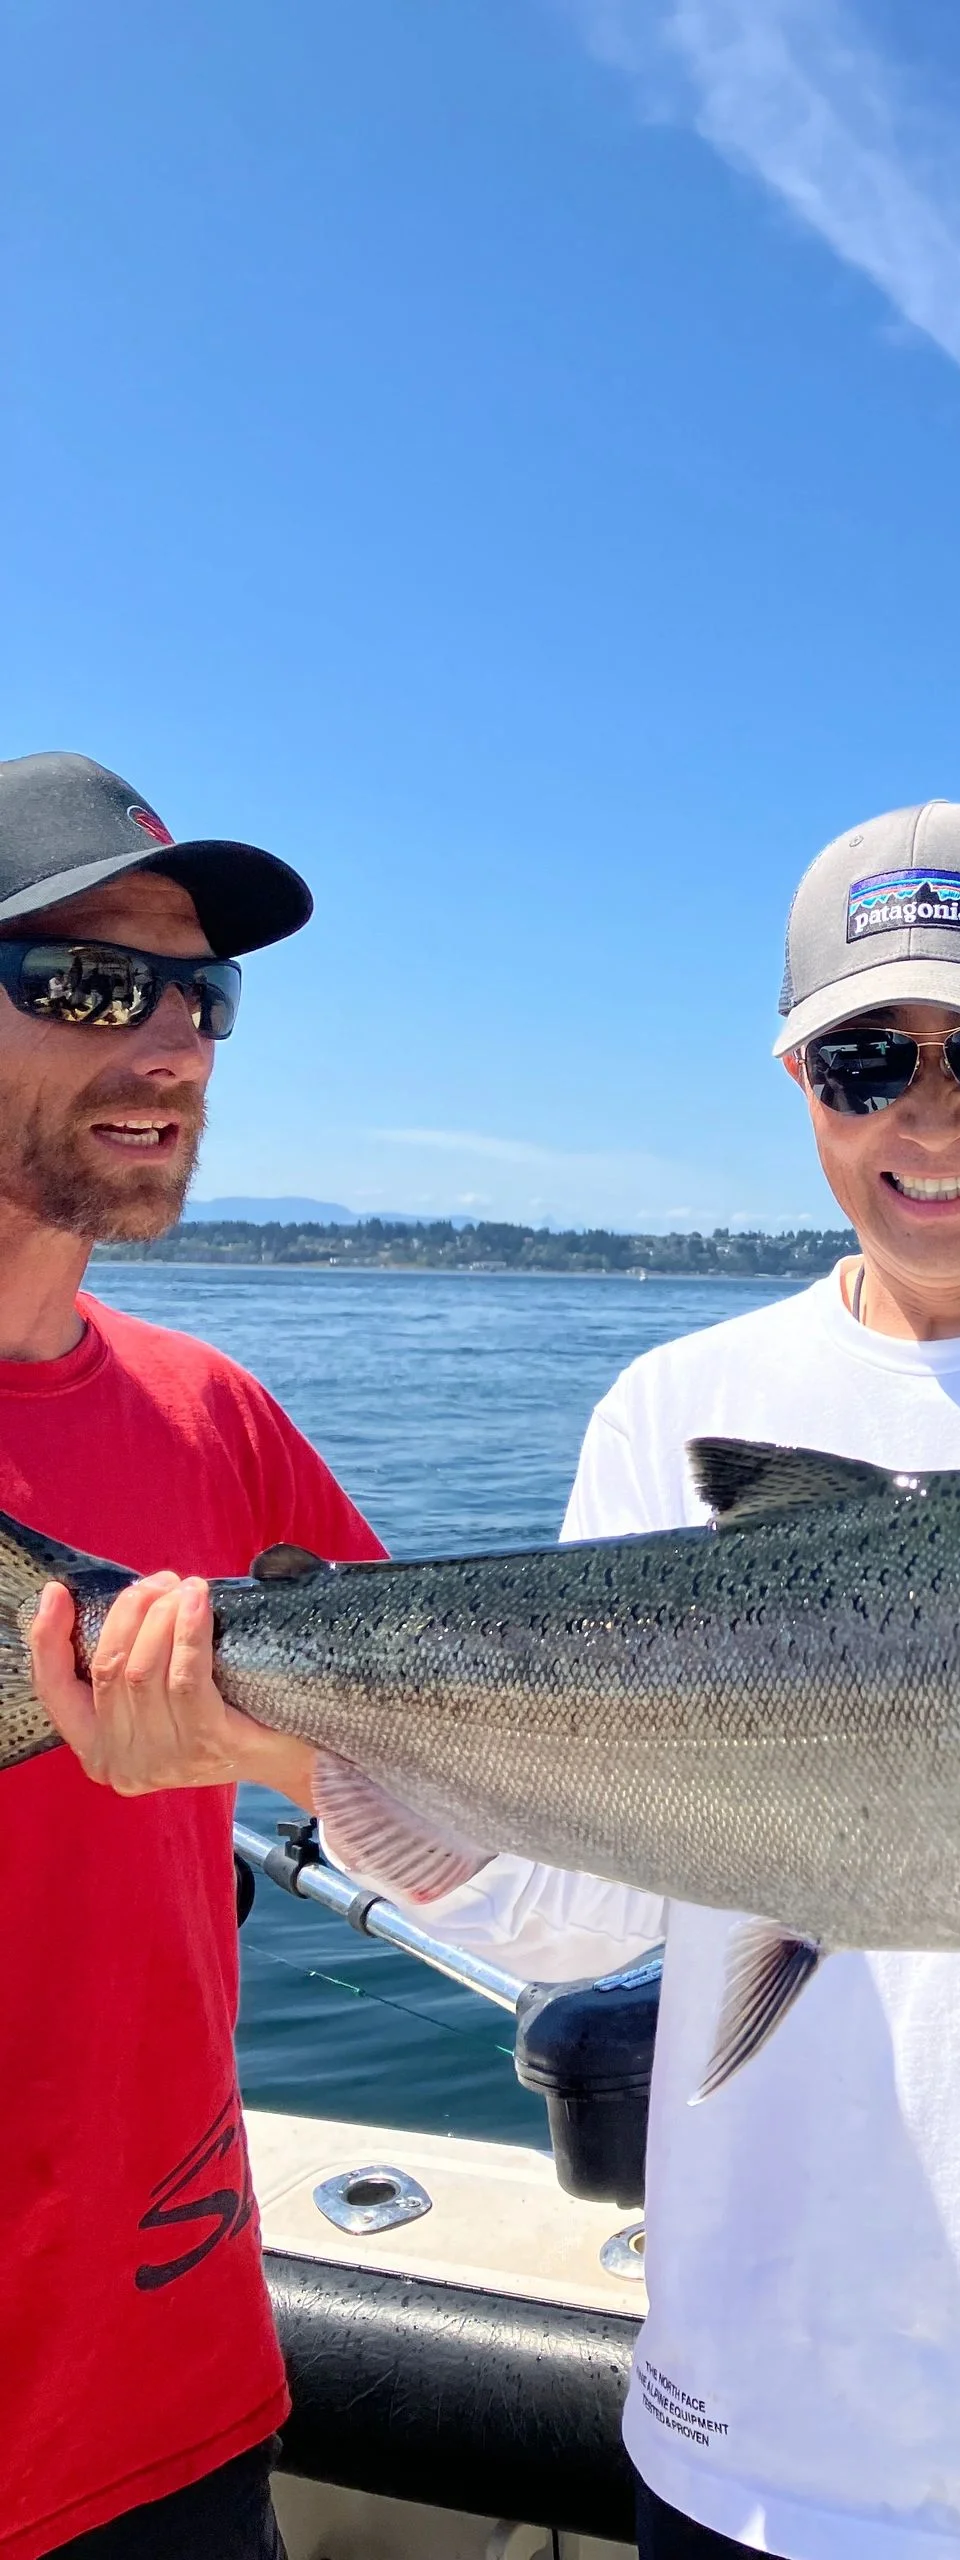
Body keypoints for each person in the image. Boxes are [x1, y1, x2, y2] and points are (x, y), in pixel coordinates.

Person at [58, 800, 960, 2560]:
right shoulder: (675, 1407)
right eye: (866, 1059)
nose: (927, 1111)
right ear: (799, 1085)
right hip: (754, 2444)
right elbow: (569, 1919)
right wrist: (302, 1753)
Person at [1, 752, 383, 2560]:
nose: (171, 1049)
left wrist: (254, 1744)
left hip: (156, 2410)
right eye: (86, 986)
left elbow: (428, 1785)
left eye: (201, 998)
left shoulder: (218, 1424)